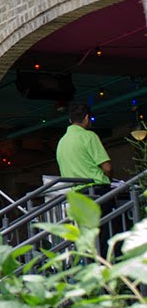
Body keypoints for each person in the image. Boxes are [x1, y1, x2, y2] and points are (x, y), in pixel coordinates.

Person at [57, 103, 113, 255]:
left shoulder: (62, 142)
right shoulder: (89, 136)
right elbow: (107, 167)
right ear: (87, 118)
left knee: (88, 236)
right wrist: (109, 177)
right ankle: (108, 265)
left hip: (77, 196)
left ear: (70, 120)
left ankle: (91, 266)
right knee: (106, 233)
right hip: (98, 192)